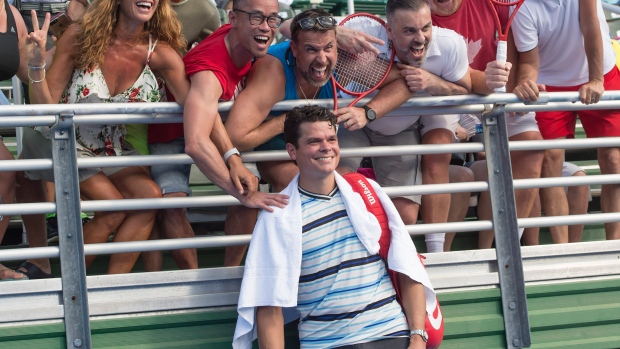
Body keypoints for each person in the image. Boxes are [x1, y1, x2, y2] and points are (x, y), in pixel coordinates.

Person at [232, 105, 435, 349]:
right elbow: (269, 307)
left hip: (391, 335)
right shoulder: (276, 217)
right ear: (292, 151)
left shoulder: (367, 191)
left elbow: (406, 266)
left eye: (331, 139)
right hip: (326, 344)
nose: (326, 147)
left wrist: (417, 338)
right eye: (314, 141)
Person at [20, 0, 190, 275]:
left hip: (107, 143)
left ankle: (112, 285)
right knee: (113, 210)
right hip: (58, 136)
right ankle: (71, 286)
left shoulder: (160, 52)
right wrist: (37, 65)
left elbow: (197, 104)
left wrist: (231, 155)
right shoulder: (80, 37)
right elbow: (45, 108)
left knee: (150, 196)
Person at [226, 8, 417, 195]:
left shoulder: (343, 61)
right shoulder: (272, 73)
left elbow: (406, 81)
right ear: (294, 48)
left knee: (335, 187)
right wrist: (290, 118)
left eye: (328, 48)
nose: (322, 59)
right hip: (275, 140)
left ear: (337, 46)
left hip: (318, 139)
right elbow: (235, 138)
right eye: (311, 49)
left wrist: (367, 112)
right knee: (299, 185)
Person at [337, 0, 471, 253]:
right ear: (388, 30)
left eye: (425, 27)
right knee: (340, 181)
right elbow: (292, 26)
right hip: (352, 121)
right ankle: (348, 257)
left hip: (398, 130)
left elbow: (467, 87)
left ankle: (399, 260)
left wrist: (434, 83)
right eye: (409, 31)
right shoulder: (363, 27)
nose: (420, 38)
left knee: (406, 216)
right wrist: (333, 32)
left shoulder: (449, 43)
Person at [426, 0, 545, 250]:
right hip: (447, 99)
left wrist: (523, 82)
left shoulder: (494, 5)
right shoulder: (415, 13)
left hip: (495, 97)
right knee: (439, 146)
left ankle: (502, 247)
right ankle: (437, 256)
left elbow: (524, 54)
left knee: (532, 147)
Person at [181, 0, 289, 267]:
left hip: (216, 130)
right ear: (233, 18)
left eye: (272, 19)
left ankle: (233, 270)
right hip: (174, 138)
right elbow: (195, 143)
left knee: (247, 183)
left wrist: (233, 157)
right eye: (256, 18)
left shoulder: (238, 39)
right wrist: (243, 193)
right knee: (243, 194)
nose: (266, 27)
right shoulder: (210, 69)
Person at [511, 0, 620, 241]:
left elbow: (590, 26)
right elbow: (529, 60)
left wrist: (595, 79)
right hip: (550, 83)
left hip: (601, 72)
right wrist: (526, 82)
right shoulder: (521, 7)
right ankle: (563, 249)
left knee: (614, 160)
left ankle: (615, 246)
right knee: (551, 160)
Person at [142, 0, 222, 272]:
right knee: (149, 205)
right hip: (133, 119)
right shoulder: (136, 5)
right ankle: (148, 282)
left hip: (172, 118)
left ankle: (194, 280)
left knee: (169, 202)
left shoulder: (204, 10)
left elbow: (219, 52)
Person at [522, 162, 591, 245]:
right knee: (530, 179)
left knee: (579, 177)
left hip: (551, 164)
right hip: (523, 164)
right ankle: (533, 248)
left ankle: (573, 247)